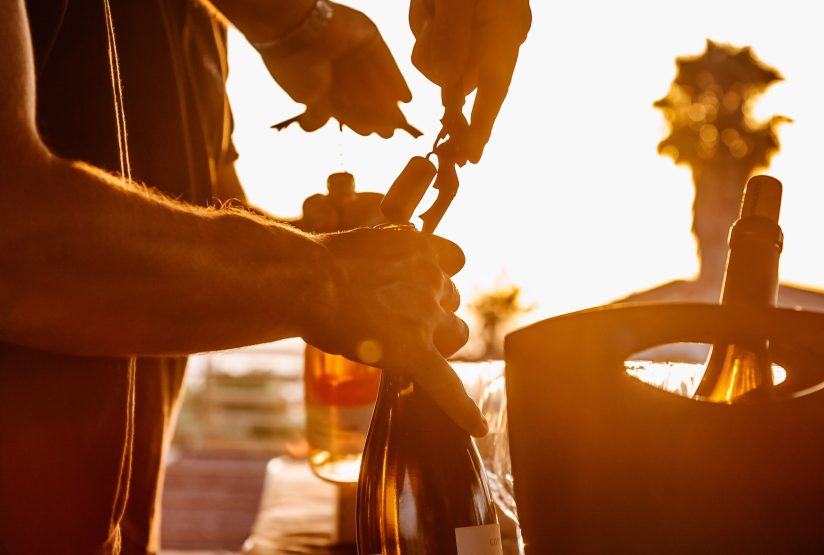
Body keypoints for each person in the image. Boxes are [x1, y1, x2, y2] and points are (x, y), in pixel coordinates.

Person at [0, 0, 530, 553]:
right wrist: (324, 279)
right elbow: (14, 238)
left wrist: (318, 246)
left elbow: (192, 234)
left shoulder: (200, 27)